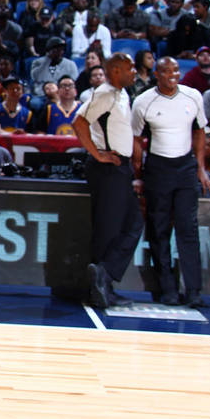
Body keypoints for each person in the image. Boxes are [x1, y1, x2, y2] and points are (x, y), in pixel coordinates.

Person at [132, 57, 210, 307]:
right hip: (158, 167)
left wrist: (201, 168)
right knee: (159, 230)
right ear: (157, 74)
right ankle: (167, 288)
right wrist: (138, 175)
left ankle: (193, 291)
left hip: (186, 167)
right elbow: (136, 140)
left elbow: (200, 131)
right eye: (166, 70)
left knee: (188, 229)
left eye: (176, 70)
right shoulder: (143, 101)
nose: (172, 74)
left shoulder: (193, 97)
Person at [73, 53, 143, 308]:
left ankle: (103, 276)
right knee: (109, 230)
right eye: (130, 67)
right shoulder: (104, 94)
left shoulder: (122, 93)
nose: (134, 72)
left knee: (132, 223)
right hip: (108, 169)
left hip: (121, 169)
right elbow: (79, 123)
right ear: (115, 70)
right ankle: (99, 287)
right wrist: (97, 154)